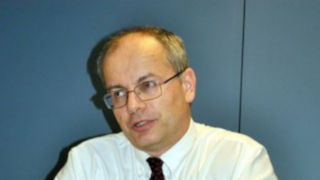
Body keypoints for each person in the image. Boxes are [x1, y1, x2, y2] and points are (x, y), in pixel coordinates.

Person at [55, 26, 277, 180]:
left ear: (187, 85)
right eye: (119, 93)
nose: (133, 105)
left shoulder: (239, 160)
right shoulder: (89, 162)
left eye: (148, 85)